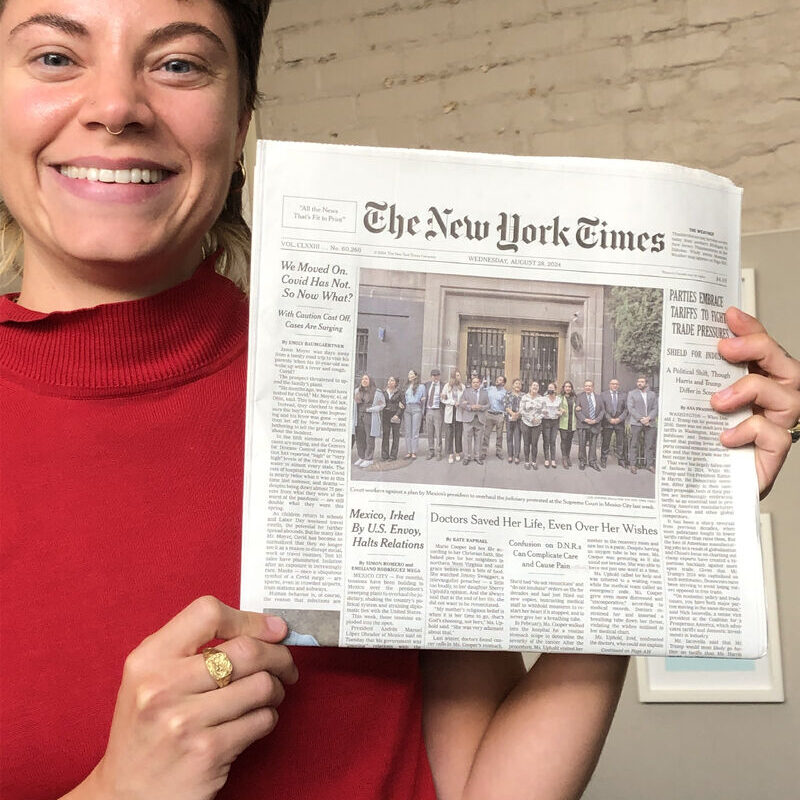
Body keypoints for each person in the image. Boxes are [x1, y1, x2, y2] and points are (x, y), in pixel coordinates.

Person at [2, 3, 799, 800]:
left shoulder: (316, 380)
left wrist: (663, 524)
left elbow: (482, 786)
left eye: (177, 63)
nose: (116, 106)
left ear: (241, 113)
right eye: (52, 57)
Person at [627, 375, 658, 473]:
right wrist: (641, 419)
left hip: (650, 423)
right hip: (636, 423)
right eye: (638, 381)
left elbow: (655, 408)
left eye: (642, 382)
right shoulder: (632, 393)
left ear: (646, 384)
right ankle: (633, 465)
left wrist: (649, 418)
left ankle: (649, 465)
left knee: (649, 445)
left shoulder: (652, 394)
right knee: (634, 444)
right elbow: (631, 408)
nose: (639, 383)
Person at [354, 374, 384, 467]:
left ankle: (369, 458)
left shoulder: (377, 392)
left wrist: (371, 409)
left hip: (370, 416)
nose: (364, 380)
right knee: (359, 438)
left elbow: (382, 404)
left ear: (370, 380)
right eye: (363, 379)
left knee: (369, 438)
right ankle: (361, 457)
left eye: (366, 379)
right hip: (359, 416)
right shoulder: (357, 391)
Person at [459, 374, 489, 464]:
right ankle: (466, 457)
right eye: (474, 382)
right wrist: (470, 407)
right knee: (467, 438)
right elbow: (461, 403)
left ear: (480, 383)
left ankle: (477, 456)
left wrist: (481, 407)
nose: (475, 384)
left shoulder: (485, 392)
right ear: (471, 383)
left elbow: (488, 404)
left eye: (477, 382)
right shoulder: (466, 392)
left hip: (479, 418)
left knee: (479, 439)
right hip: (468, 418)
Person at [576, 379, 605, 471]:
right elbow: (577, 410)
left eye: (589, 386)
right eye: (586, 386)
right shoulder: (579, 397)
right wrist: (585, 419)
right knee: (582, 444)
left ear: (593, 387)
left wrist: (596, 420)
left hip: (595, 425)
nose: (587, 387)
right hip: (583, 425)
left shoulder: (599, 397)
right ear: (584, 387)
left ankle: (592, 462)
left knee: (593, 445)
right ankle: (582, 461)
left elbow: (602, 411)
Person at [600, 378, 628, 468]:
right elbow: (602, 409)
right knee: (606, 442)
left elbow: (626, 409)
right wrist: (609, 419)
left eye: (616, 384)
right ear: (609, 385)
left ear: (618, 385)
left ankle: (621, 459)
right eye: (613, 384)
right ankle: (603, 459)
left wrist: (620, 419)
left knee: (620, 442)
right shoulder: (603, 395)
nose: (614, 386)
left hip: (620, 423)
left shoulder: (623, 395)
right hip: (608, 423)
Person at [441, 368, 465, 463]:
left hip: (459, 411)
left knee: (458, 433)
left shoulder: (462, 387)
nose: (459, 377)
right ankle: (450, 453)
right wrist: (452, 402)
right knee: (449, 434)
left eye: (459, 375)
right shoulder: (447, 386)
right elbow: (442, 399)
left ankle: (458, 452)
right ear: (454, 376)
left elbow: (465, 398)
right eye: (458, 375)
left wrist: (461, 402)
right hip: (450, 411)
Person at [520, 380, 544, 470]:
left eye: (537, 386)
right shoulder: (524, 397)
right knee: (526, 443)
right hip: (526, 423)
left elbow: (544, 411)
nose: (535, 387)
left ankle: (533, 462)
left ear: (538, 388)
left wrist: (538, 418)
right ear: (530, 387)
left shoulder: (541, 398)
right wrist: (530, 418)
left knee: (534, 444)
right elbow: (521, 410)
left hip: (537, 424)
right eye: (533, 385)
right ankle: (527, 461)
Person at [482, 374, 507, 460]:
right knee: (486, 434)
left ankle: (499, 452)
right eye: (497, 379)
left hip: (499, 415)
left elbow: (506, 404)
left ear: (503, 383)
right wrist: (483, 384)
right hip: (489, 414)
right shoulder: (490, 388)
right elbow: (482, 390)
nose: (497, 380)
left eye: (500, 380)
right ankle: (483, 452)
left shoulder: (505, 392)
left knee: (499, 435)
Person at [423, 368, 445, 460]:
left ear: (439, 376)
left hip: (437, 410)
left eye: (437, 375)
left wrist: (444, 396)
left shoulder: (443, 386)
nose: (435, 377)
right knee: (430, 432)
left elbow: (448, 396)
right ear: (431, 376)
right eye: (433, 376)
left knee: (438, 432)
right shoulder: (426, 385)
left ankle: (439, 452)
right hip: (428, 410)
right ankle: (431, 450)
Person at [381, 375, 404, 461]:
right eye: (389, 380)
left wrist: (397, 415)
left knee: (395, 435)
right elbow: (381, 402)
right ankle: (384, 455)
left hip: (395, 415)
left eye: (392, 380)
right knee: (385, 435)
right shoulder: (383, 392)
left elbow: (403, 405)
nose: (390, 382)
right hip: (386, 415)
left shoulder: (400, 392)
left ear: (396, 383)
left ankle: (393, 455)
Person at [404, 368, 425, 459]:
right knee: (408, 431)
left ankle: (414, 451)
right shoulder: (406, 386)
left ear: (415, 376)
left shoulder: (421, 387)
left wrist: (422, 412)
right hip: (407, 409)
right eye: (409, 374)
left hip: (417, 408)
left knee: (415, 431)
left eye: (412, 374)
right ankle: (408, 451)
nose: (410, 376)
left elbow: (424, 399)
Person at [540, 381, 562, 469]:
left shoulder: (558, 399)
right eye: (549, 388)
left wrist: (561, 412)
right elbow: (539, 409)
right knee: (546, 440)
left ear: (555, 389)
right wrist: (543, 411)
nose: (550, 389)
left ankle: (553, 459)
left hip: (555, 422)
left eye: (552, 388)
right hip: (546, 421)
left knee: (553, 440)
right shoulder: (544, 399)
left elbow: (561, 409)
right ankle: (546, 458)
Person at [559, 379, 579, 469]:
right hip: (563, 422)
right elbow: (555, 407)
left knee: (569, 441)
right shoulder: (560, 397)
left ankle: (568, 456)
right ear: (564, 388)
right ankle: (564, 458)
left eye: (569, 387)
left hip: (572, 422)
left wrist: (579, 408)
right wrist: (560, 410)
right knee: (564, 440)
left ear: (571, 388)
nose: (568, 388)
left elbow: (579, 406)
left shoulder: (575, 397)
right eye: (566, 386)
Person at [504, 377, 523, 464]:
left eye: (519, 384)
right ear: (512, 385)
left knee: (517, 437)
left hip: (519, 419)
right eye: (516, 383)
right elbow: (506, 405)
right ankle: (510, 455)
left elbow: (524, 407)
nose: (518, 385)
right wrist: (512, 413)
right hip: (509, 418)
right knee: (509, 437)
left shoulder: (523, 395)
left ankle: (517, 456)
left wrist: (517, 414)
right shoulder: (508, 394)